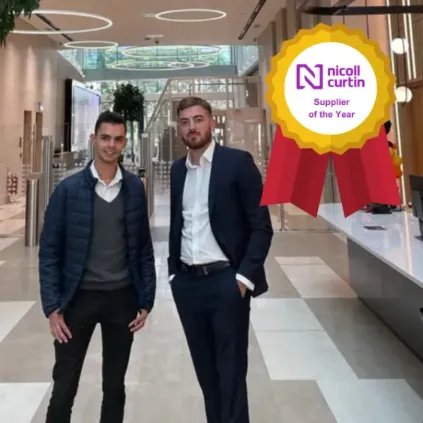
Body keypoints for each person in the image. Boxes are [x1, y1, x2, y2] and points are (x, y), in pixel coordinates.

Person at [39, 110, 156, 423]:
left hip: (122, 299)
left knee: (115, 386)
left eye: (118, 139)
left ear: (124, 143)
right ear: (93, 139)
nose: (111, 145)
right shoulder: (67, 191)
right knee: (65, 384)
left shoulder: (133, 188)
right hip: (77, 300)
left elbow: (143, 248)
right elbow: (49, 252)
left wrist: (146, 300)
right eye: (105, 138)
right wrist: (53, 306)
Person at [168, 97, 273, 423]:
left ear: (211, 122)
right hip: (187, 284)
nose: (192, 127)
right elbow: (179, 223)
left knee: (230, 372)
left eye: (198, 119)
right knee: (206, 373)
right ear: (179, 128)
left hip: (226, 282)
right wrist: (173, 274)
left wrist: (242, 279)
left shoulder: (237, 163)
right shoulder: (177, 171)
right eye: (185, 122)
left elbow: (261, 227)